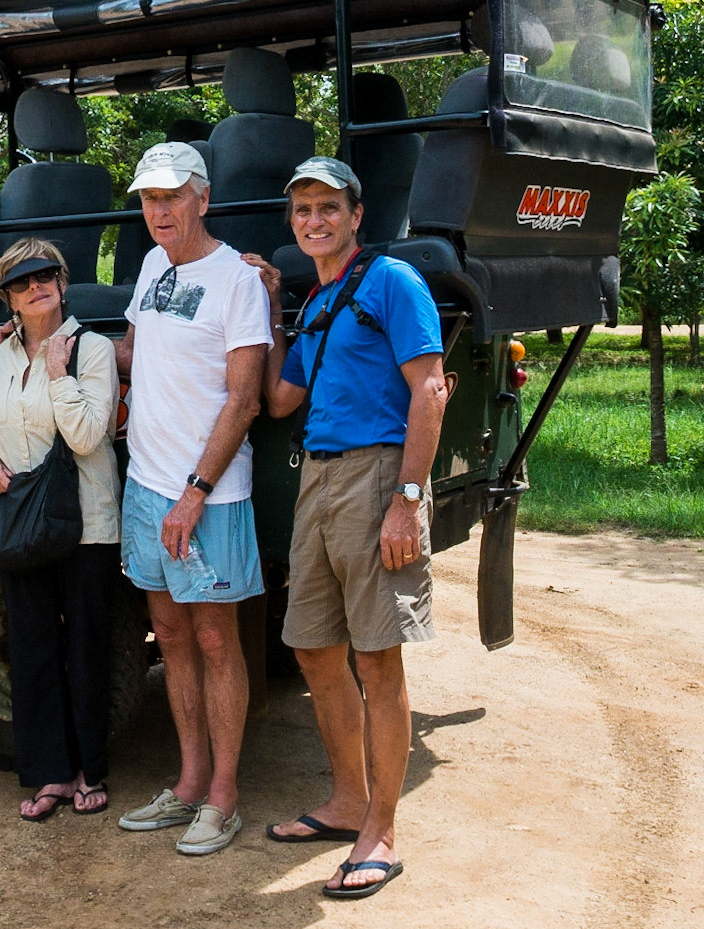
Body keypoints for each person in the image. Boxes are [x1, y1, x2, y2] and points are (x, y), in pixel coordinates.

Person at [253, 156, 447, 899]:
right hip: (318, 477)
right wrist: (273, 309)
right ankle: (344, 801)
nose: (314, 220)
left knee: (377, 660)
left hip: (376, 476)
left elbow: (429, 389)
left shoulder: (393, 281)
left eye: (328, 207)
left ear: (356, 215)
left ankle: (382, 833)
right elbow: (280, 400)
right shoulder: (317, 299)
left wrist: (407, 500)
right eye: (302, 209)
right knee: (313, 647)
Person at [113, 142, 270, 855]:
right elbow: (134, 353)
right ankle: (188, 783)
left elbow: (244, 400)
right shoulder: (152, 266)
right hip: (146, 486)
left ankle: (224, 796)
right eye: (149, 198)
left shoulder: (237, 280)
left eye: (172, 196)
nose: (159, 210)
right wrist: (48, 340)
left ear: (203, 199)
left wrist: (195, 493)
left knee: (214, 640)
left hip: (208, 496)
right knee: (171, 637)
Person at [0, 238, 120, 822]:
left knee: (86, 649)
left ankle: (90, 769)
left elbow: (87, 437)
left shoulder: (93, 350)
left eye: (45, 276)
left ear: (63, 284)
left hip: (85, 522)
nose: (35, 287)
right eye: (21, 282)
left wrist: (58, 371)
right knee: (31, 648)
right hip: (21, 522)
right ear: (8, 297)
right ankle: (49, 773)